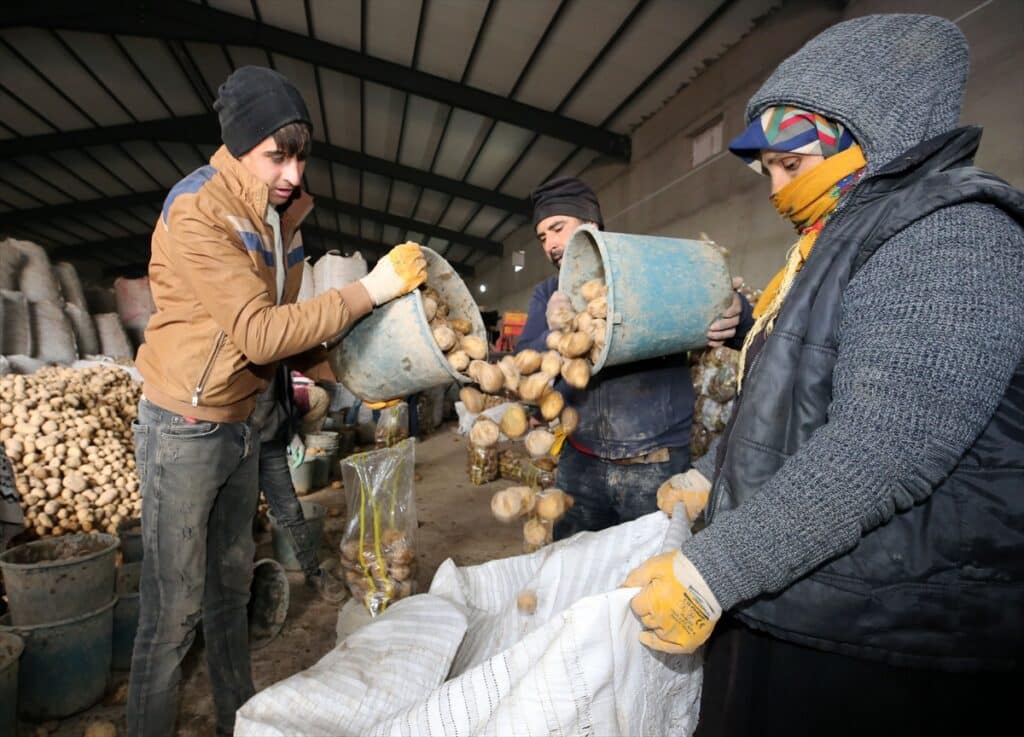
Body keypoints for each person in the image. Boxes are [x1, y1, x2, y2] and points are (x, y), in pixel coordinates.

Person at [623, 14, 1024, 736]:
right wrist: (717, 470)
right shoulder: (829, 245)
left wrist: (718, 569)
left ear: (873, 136)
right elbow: (792, 392)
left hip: (886, 632)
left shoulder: (952, 231)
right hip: (808, 591)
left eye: (791, 163)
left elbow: (884, 446)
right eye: (767, 169)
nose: (776, 189)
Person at [128, 65, 427, 737]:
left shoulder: (276, 215)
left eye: (299, 155)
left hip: (237, 425)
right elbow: (258, 330)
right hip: (182, 427)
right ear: (238, 146)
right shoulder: (198, 210)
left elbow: (284, 332)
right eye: (276, 154)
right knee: (172, 615)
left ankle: (240, 720)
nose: (292, 172)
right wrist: (369, 291)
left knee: (230, 593)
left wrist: (355, 375)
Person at [516, 176, 752, 538]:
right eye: (543, 237)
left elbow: (744, 325)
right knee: (576, 566)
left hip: (655, 463)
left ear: (591, 224)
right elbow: (525, 364)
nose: (551, 244)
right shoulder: (548, 292)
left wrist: (734, 309)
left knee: (646, 576)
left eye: (558, 228)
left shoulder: (645, 270)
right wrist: (552, 330)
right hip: (581, 462)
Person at [252, 366, 346, 603]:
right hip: (235, 443)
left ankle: (313, 573)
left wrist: (292, 432)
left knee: (291, 510)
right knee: (240, 519)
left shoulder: (277, 348)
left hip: (270, 441)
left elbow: (284, 395)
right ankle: (243, 586)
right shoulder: (240, 340)